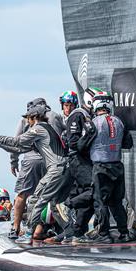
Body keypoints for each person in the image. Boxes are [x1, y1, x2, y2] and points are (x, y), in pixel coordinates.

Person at [0, 102, 68, 244]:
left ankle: (28, 233)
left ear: (34, 117)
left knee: (37, 201)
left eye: (28, 118)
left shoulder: (38, 128)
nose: (26, 121)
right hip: (64, 168)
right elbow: (20, 148)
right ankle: (71, 231)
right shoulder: (47, 129)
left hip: (56, 169)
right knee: (55, 203)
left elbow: (17, 141)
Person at [75, 95, 133, 244]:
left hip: (101, 167)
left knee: (100, 201)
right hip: (118, 166)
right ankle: (124, 233)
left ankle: (103, 234)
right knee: (117, 202)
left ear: (96, 106)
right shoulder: (119, 122)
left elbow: (81, 146)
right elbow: (128, 143)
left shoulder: (93, 123)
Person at [46, 89, 96, 244]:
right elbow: (73, 143)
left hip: (79, 162)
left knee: (86, 195)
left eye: (69, 105)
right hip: (75, 162)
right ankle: (68, 219)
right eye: (65, 105)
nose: (67, 108)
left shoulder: (75, 117)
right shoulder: (71, 117)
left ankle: (77, 231)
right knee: (89, 192)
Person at [8, 99, 55, 238]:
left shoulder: (25, 120)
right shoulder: (54, 116)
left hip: (31, 160)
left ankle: (15, 227)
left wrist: (13, 161)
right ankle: (39, 230)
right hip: (49, 161)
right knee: (45, 196)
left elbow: (16, 142)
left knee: (22, 194)